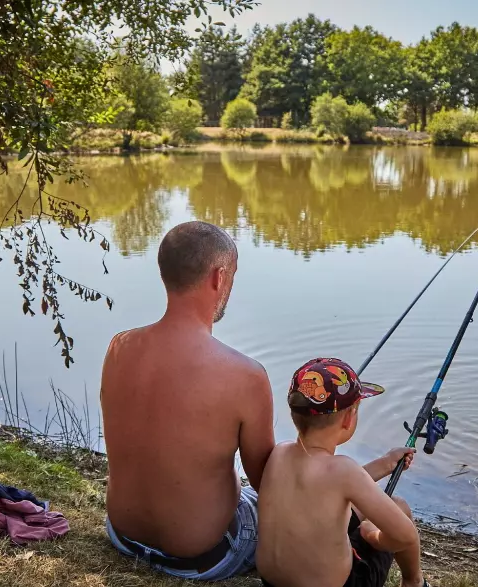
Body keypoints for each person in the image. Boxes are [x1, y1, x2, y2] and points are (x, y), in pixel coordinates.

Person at [100, 221, 275, 580]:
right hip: (201, 557)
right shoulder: (246, 375)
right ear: (219, 277)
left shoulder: (119, 347)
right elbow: (265, 481)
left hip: (124, 537)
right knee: (283, 509)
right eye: (232, 277)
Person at [257, 357, 428, 587]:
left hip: (273, 582)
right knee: (399, 507)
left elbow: (326, 487)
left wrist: (386, 463)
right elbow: (404, 536)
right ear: (348, 419)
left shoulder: (280, 453)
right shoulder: (343, 471)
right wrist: (373, 537)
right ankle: (414, 582)